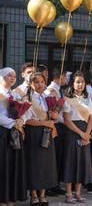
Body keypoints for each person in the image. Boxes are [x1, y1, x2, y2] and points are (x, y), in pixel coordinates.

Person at [24, 72, 59, 205]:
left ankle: (43, 194)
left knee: (46, 164)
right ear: (31, 84)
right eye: (36, 82)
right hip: (33, 133)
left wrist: (54, 115)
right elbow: (26, 120)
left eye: (42, 82)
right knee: (34, 164)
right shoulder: (27, 98)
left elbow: (55, 118)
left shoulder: (47, 98)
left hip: (47, 133)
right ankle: (33, 195)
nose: (40, 84)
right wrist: (45, 122)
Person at [62, 71, 92, 203]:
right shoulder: (67, 100)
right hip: (72, 132)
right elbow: (67, 120)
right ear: (73, 84)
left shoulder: (89, 100)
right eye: (77, 82)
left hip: (85, 132)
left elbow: (91, 119)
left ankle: (78, 192)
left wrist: (87, 134)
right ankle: (68, 193)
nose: (80, 84)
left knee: (82, 162)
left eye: (82, 82)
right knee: (71, 162)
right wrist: (82, 134)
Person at [0, 68, 27, 205]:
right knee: (3, 166)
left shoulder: (15, 95)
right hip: (2, 134)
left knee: (13, 166)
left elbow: (23, 113)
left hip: (14, 134)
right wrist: (13, 123)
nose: (12, 78)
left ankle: (11, 197)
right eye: (9, 75)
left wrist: (22, 120)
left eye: (14, 76)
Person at [44, 68, 67, 197]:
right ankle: (49, 185)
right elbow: (51, 112)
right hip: (54, 125)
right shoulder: (50, 91)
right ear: (61, 76)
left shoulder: (59, 90)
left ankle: (55, 183)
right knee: (53, 156)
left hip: (61, 125)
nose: (66, 79)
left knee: (58, 156)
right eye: (65, 76)